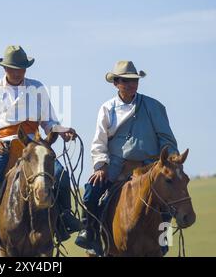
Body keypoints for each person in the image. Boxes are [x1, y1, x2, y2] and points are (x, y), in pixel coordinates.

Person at [0, 45, 82, 245]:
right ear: (4, 68)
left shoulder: (37, 87)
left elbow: (49, 122)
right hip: (5, 144)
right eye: (12, 68)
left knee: (61, 175)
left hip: (33, 145)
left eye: (20, 68)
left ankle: (65, 217)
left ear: (26, 69)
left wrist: (63, 131)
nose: (16, 72)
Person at [75, 60, 178, 256]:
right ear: (116, 83)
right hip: (116, 166)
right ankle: (90, 235)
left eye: (135, 81)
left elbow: (166, 139)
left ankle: (164, 240)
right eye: (126, 81)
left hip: (149, 166)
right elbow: (99, 141)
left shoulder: (154, 106)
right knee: (91, 193)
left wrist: (171, 160)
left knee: (168, 199)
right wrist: (100, 166)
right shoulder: (107, 108)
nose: (132, 85)